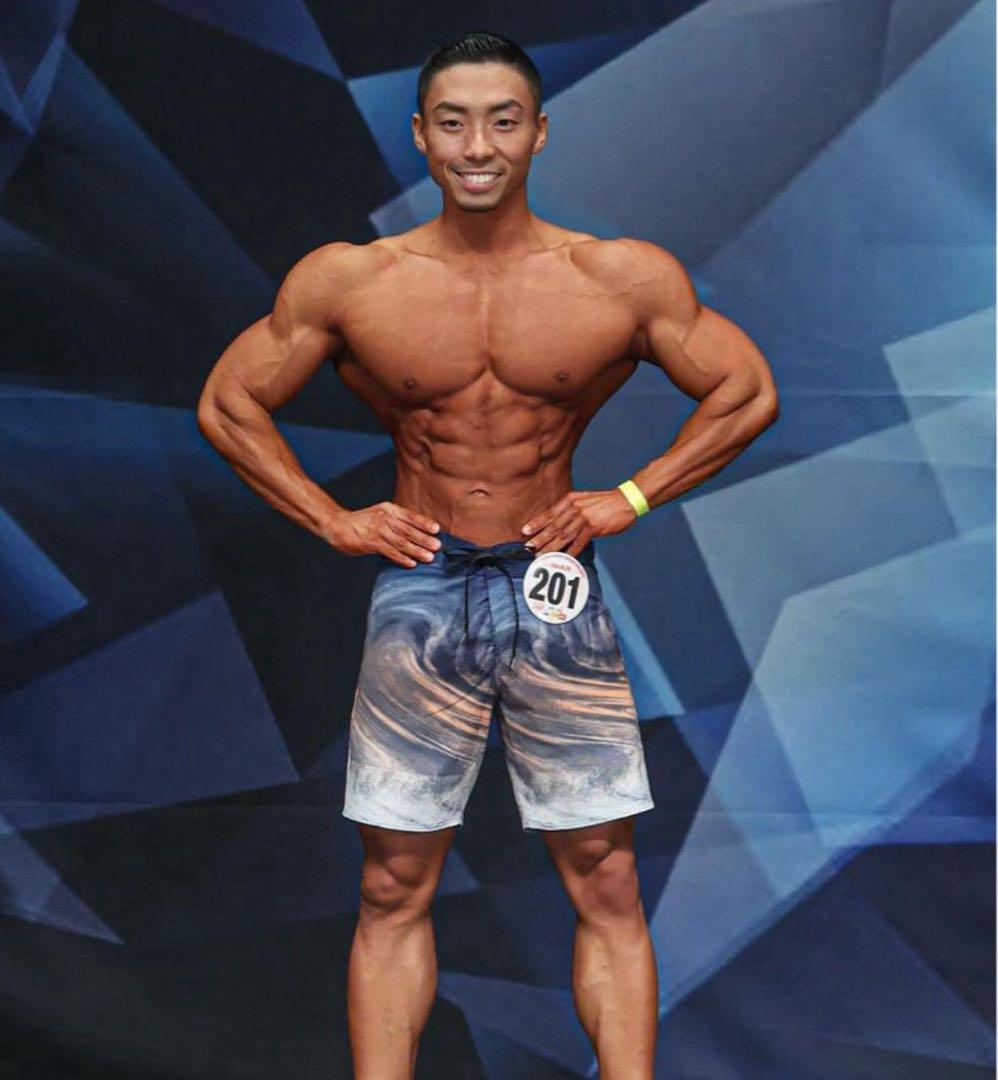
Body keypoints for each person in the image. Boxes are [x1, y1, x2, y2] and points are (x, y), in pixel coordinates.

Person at [197, 29, 779, 1080]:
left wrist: (631, 497)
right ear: (421, 135)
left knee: (604, 875)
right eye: (455, 123)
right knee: (391, 883)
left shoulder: (615, 276)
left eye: (502, 121)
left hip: (553, 592)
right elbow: (230, 403)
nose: (478, 146)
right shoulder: (352, 280)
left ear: (538, 133)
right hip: (422, 587)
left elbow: (745, 391)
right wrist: (330, 519)